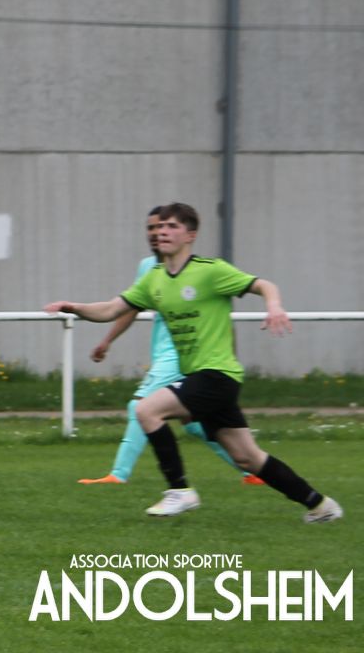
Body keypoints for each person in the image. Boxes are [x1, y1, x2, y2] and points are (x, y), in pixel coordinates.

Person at [47, 202, 342, 522]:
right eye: (159, 227)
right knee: (247, 458)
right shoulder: (154, 278)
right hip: (203, 377)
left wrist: (274, 306)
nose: (162, 232)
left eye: (171, 226)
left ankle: (180, 491)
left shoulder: (210, 270)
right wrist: (73, 307)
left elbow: (263, 285)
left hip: (217, 374)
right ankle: (320, 505)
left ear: (190, 235)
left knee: (146, 410)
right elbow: (111, 309)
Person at [77, 206, 260, 488]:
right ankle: (252, 471)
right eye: (151, 228)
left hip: (179, 355)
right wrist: (108, 340)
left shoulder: (200, 270)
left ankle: (119, 475)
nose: (156, 233)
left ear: (186, 234)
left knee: (140, 406)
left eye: (163, 227)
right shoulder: (148, 269)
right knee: (193, 423)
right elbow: (128, 308)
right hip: (170, 354)